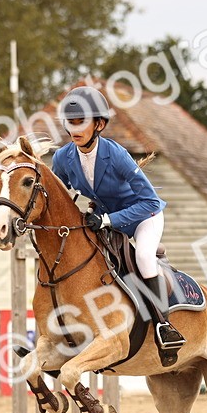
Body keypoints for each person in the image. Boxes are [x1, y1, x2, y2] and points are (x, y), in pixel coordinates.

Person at [51, 85, 184, 352]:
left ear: (99, 124)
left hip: (143, 217)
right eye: (71, 122)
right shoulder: (63, 157)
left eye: (81, 122)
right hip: (103, 219)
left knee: (144, 257)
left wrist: (108, 220)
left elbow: (150, 202)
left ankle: (164, 324)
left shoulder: (117, 155)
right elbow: (58, 196)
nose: (75, 129)